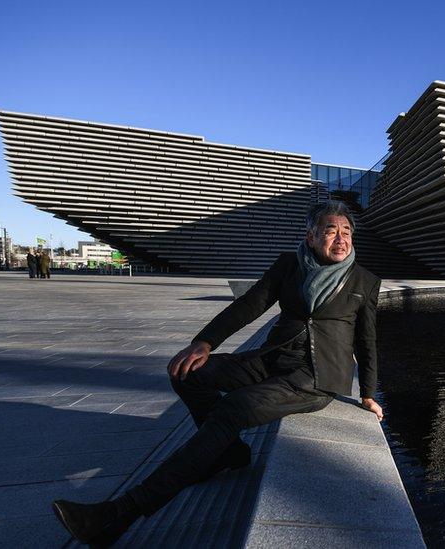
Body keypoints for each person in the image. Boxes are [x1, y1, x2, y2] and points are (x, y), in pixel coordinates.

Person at [51, 201, 384, 546]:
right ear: (312, 236)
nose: (341, 239)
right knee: (186, 372)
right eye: (331, 230)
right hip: (271, 358)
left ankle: (119, 515)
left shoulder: (364, 280)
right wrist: (205, 342)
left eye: (346, 232)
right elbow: (250, 304)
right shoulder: (290, 264)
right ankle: (226, 451)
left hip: (313, 376)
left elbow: (367, 339)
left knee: (232, 410)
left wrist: (369, 393)